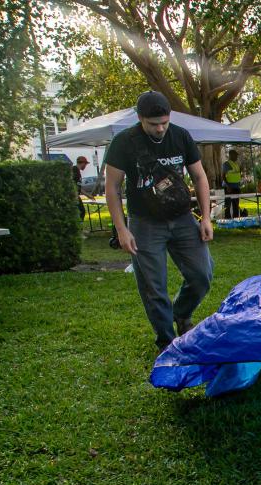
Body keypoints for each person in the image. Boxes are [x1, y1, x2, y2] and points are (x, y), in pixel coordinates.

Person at [104, 90, 214, 352]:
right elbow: (112, 188)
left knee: (202, 274)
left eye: (164, 122)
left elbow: (199, 177)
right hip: (145, 223)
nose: (161, 128)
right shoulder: (124, 142)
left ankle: (181, 313)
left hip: (182, 217)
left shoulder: (180, 136)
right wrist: (122, 229)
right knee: (154, 286)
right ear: (140, 118)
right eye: (154, 124)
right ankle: (167, 342)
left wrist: (206, 217)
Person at [222, 149, 242, 219]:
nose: (236, 157)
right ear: (230, 155)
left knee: (236, 204)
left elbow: (238, 175)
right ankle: (227, 219)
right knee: (228, 204)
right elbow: (223, 176)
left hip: (236, 187)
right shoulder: (226, 164)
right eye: (235, 155)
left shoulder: (236, 164)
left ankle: (236, 218)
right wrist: (227, 186)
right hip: (229, 187)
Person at [72, 155, 89, 221]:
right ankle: (79, 229)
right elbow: (73, 183)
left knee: (80, 212)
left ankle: (79, 228)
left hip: (76, 195)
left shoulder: (77, 171)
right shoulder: (75, 170)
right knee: (81, 212)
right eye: (85, 164)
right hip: (74, 195)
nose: (85, 166)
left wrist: (88, 195)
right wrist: (75, 195)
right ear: (82, 163)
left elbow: (78, 186)